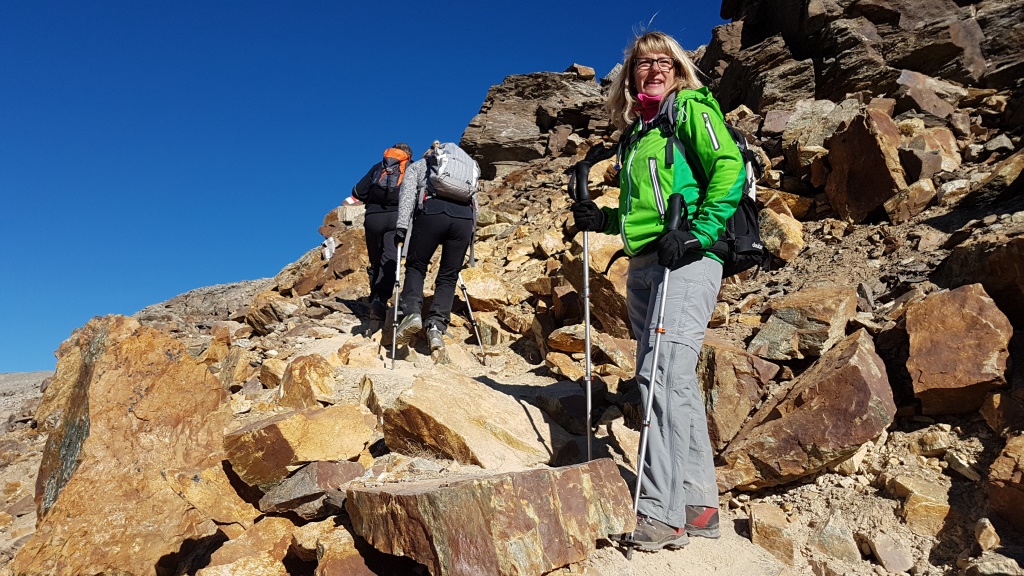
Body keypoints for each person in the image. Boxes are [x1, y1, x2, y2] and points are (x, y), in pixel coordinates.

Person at [571, 31, 745, 551]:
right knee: (676, 383)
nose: (653, 69)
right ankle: (698, 505)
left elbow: (728, 166)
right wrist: (602, 219)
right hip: (647, 263)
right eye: (643, 63)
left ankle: (659, 514)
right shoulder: (637, 134)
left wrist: (699, 232)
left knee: (660, 377)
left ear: (679, 68)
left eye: (664, 61)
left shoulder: (688, 108)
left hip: (687, 259)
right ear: (630, 76)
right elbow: (639, 209)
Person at [392, 141, 477, 352]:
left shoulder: (420, 165)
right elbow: (475, 201)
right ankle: (437, 327)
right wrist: (471, 237)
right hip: (464, 220)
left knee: (416, 265)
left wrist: (402, 227)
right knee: (449, 275)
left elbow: (407, 195)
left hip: (433, 212)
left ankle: (412, 313)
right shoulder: (466, 168)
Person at [352, 143, 413, 321]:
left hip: (373, 218)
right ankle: (380, 300)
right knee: (390, 259)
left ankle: (373, 298)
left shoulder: (378, 167)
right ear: (408, 156)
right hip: (397, 217)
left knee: (375, 259)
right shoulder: (411, 167)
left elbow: (358, 192)